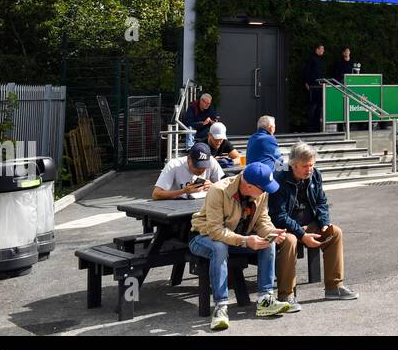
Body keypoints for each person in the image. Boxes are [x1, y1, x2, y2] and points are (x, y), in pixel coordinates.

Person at [189, 161, 293, 330]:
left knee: (268, 243)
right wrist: (245, 241)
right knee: (219, 247)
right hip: (203, 237)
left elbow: (262, 221)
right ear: (249, 186)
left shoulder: (260, 193)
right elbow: (215, 231)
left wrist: (271, 232)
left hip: (235, 238)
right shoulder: (219, 190)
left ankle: (265, 300)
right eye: (264, 187)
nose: (267, 190)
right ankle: (221, 308)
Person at [269, 141, 358, 310]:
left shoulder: (315, 175)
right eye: (305, 166)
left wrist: (324, 223)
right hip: (286, 227)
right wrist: (302, 235)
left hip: (310, 224)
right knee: (290, 241)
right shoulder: (279, 178)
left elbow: (321, 202)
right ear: (293, 165)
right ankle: (286, 294)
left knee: (335, 232)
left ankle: (334, 287)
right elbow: (278, 215)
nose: (309, 169)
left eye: (311, 165)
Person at [152, 141, 223, 200]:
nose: (201, 170)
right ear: (188, 159)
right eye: (197, 166)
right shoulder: (174, 165)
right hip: (176, 208)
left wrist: (214, 186)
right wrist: (183, 191)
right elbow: (156, 194)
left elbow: (226, 188)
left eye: (204, 166)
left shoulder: (212, 162)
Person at [303, 43, 326, 130]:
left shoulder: (321, 60)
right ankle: (311, 127)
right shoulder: (312, 59)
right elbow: (307, 71)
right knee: (313, 106)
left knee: (319, 106)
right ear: (317, 49)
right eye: (321, 49)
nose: (323, 51)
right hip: (313, 85)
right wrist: (307, 82)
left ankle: (316, 126)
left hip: (320, 85)